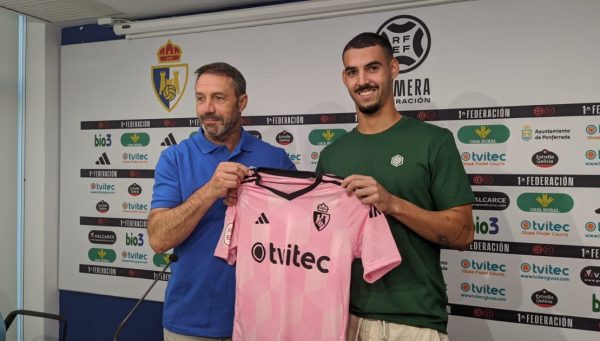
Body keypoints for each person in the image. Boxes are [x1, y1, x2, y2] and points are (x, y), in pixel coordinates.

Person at [316, 32, 475, 341]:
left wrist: (392, 203)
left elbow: (463, 233)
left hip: (414, 322)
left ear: (393, 68)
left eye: (372, 68)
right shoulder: (332, 155)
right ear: (344, 78)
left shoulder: (434, 142)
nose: (362, 80)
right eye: (353, 72)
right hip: (344, 319)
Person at [148, 62, 295, 341]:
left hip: (263, 321)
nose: (207, 109)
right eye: (200, 98)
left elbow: (298, 235)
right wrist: (210, 190)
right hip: (191, 323)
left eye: (218, 98)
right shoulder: (175, 159)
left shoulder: (275, 159)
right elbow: (158, 239)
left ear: (242, 102)